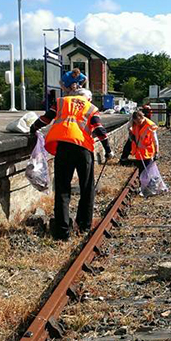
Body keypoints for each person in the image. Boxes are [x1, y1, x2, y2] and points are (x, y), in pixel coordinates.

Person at [30, 88, 113, 240]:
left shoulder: (62, 102)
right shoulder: (91, 108)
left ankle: (62, 232)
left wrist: (33, 128)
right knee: (87, 188)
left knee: (62, 189)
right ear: (88, 98)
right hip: (83, 149)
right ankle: (84, 226)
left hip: (63, 148)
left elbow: (46, 118)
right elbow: (99, 129)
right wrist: (108, 150)